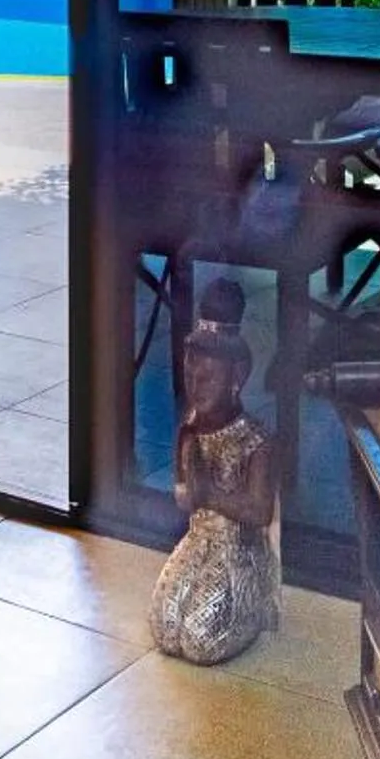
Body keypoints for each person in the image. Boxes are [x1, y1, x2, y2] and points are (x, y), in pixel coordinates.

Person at [150, 278, 280, 664]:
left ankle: (254, 609)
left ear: (237, 377)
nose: (196, 386)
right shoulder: (190, 427)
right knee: (166, 628)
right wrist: (191, 488)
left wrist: (212, 496)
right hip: (198, 541)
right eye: (190, 377)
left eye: (207, 379)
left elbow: (260, 512)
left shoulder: (256, 441)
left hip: (237, 553)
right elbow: (184, 497)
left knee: (199, 640)